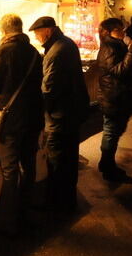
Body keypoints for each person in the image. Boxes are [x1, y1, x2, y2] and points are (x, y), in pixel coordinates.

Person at [0, 14, 44, 235]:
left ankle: (7, 221)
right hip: (33, 115)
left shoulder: (4, 50)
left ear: (4, 31)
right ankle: (25, 214)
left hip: (13, 119)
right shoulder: (34, 52)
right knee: (28, 166)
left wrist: (4, 95)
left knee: (10, 170)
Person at [29, 16, 90, 214]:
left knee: (57, 159)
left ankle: (56, 204)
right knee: (69, 158)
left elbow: (49, 88)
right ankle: (67, 200)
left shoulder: (56, 51)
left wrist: (39, 110)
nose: (37, 38)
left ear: (48, 31)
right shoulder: (66, 44)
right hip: (72, 111)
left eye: (38, 34)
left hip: (60, 115)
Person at [96, 18, 132, 182]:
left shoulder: (116, 44)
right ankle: (108, 168)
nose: (123, 31)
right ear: (109, 31)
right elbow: (119, 71)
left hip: (118, 95)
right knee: (111, 131)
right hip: (113, 96)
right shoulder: (110, 47)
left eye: (122, 28)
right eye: (118, 29)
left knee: (115, 129)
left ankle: (106, 163)